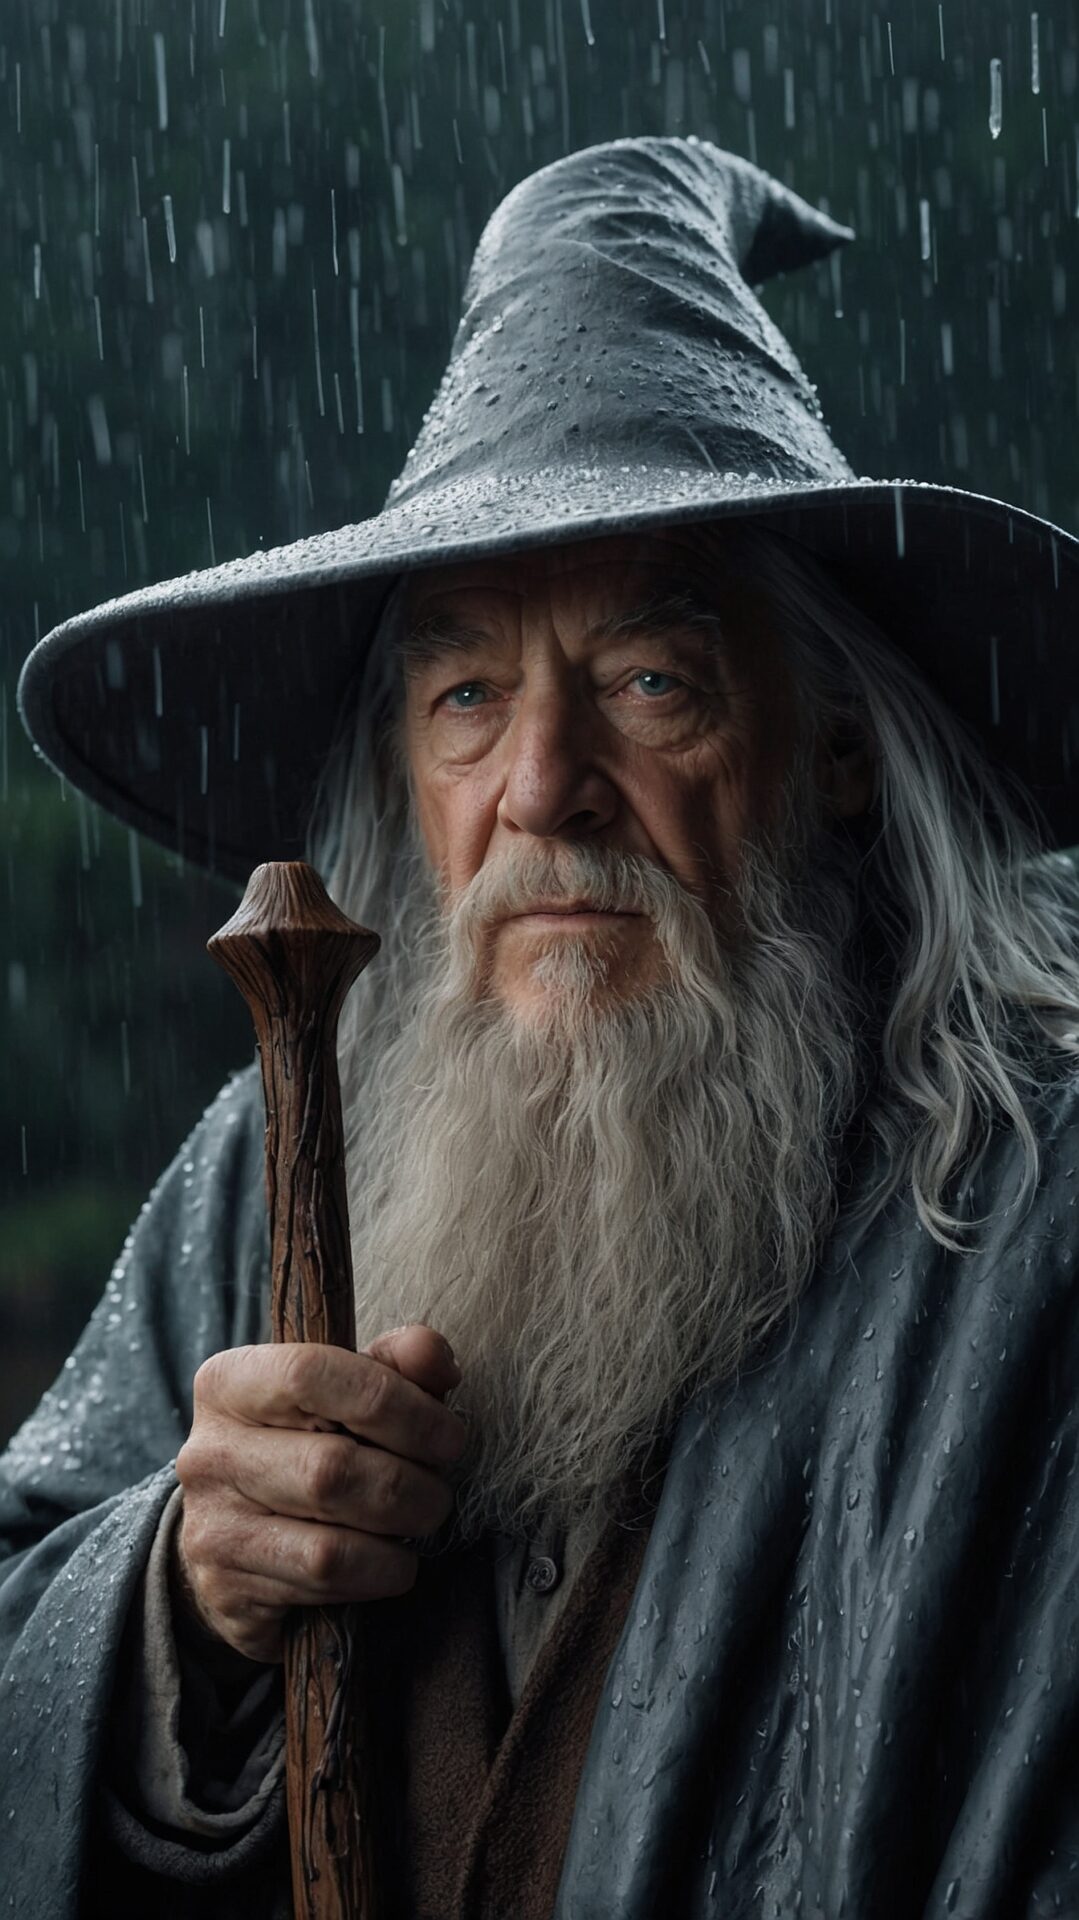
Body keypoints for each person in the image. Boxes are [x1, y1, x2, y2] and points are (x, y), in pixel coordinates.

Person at [6, 137, 1079, 1919]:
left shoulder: (1033, 1203)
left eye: (654, 680)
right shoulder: (288, 1162)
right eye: (466, 693)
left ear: (834, 748)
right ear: (404, 775)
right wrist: (187, 1594)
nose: (544, 788)